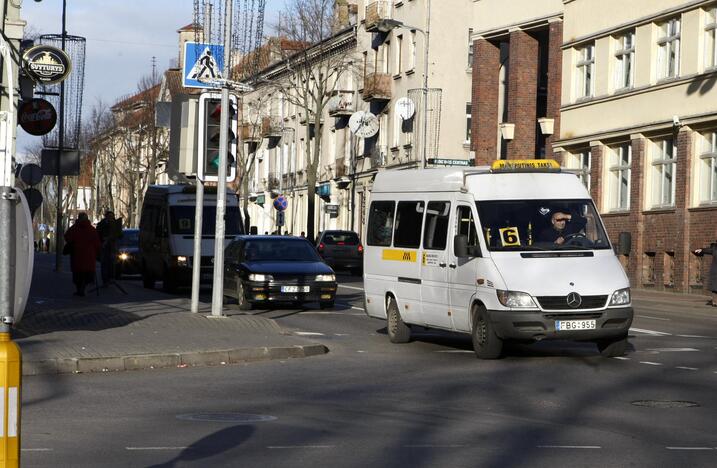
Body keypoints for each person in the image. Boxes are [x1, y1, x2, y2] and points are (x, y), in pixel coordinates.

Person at [64, 213, 101, 296]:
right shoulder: (92, 229)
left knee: (77, 274)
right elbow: (97, 243)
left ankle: (79, 289)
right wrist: (98, 252)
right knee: (87, 273)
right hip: (89, 255)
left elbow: (67, 237)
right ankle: (83, 288)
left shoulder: (74, 228)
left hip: (76, 255)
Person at [97, 211, 121, 286]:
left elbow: (120, 235)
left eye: (112, 216)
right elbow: (98, 233)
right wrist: (103, 239)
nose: (111, 218)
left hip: (112, 246)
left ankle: (111, 278)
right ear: (106, 216)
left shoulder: (115, 224)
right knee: (104, 263)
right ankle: (105, 279)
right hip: (104, 246)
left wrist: (115, 236)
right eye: (109, 216)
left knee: (112, 263)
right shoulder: (102, 224)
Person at [694, 241, 717, 307]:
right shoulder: (715, 249)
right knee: (715, 288)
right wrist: (701, 249)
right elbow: (708, 250)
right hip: (715, 271)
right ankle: (715, 302)